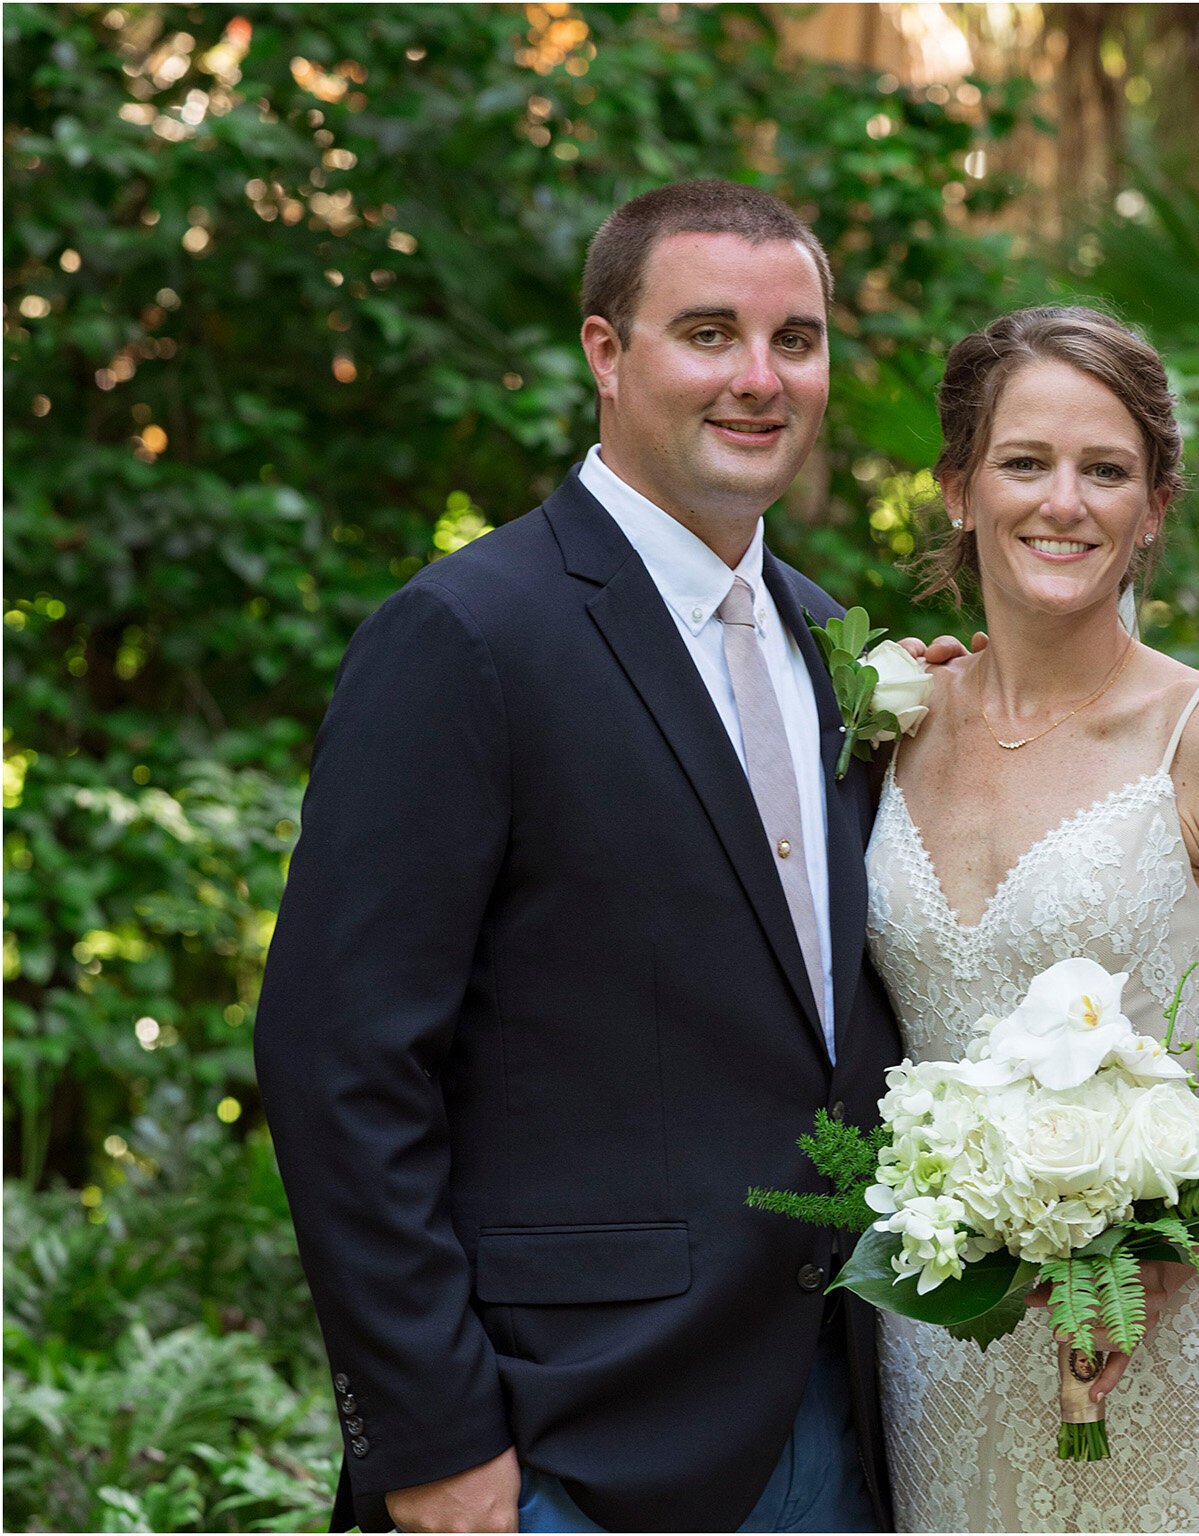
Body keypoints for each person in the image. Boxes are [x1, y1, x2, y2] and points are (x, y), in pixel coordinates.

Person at [255, 180, 953, 1532]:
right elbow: (338, 1059)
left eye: (796, 341)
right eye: (709, 333)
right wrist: (432, 1436)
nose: (760, 379)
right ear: (606, 352)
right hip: (562, 1435)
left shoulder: (833, 647)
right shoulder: (467, 636)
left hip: (837, 1409)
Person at [862, 305, 1199, 1531]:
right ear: (958, 489)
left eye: (1106, 471)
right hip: (935, 1356)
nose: (1062, 503)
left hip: (1156, 1357)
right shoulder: (888, 724)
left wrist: (1151, 1267)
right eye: (1024, 462)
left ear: (1154, 507)